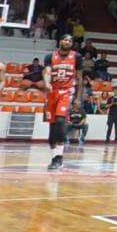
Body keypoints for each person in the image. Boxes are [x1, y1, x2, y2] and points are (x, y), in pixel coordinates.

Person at [43, 35, 83, 170]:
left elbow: (79, 78)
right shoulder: (50, 56)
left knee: (60, 121)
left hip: (66, 92)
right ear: (60, 41)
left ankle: (59, 158)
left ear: (72, 44)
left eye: (70, 40)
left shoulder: (77, 57)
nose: (67, 42)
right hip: (52, 93)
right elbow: (47, 72)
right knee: (52, 128)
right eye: (65, 39)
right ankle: (54, 158)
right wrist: (47, 83)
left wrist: (78, 97)